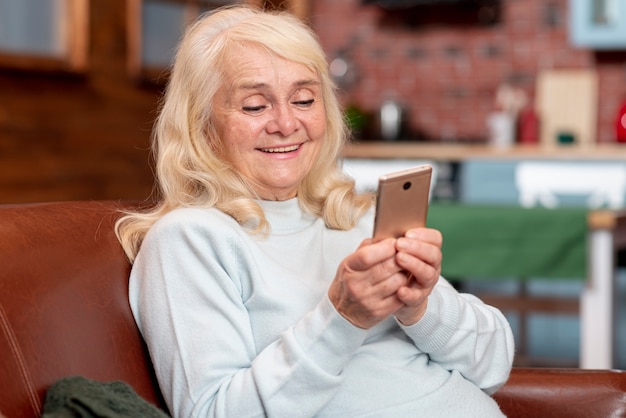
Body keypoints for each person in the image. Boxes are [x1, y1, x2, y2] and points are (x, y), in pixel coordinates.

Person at [115, 5, 514, 417]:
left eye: (304, 99)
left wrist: (422, 307)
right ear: (202, 126)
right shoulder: (189, 240)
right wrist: (341, 318)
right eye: (255, 106)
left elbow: (494, 365)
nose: (286, 123)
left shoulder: (351, 216)